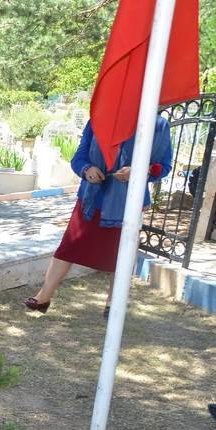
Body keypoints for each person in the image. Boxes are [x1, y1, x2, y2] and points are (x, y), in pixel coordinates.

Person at [25, 116, 172, 315]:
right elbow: (79, 158)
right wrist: (87, 169)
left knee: (121, 254)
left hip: (128, 202)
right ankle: (44, 296)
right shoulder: (100, 117)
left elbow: (163, 166)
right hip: (91, 199)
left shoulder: (157, 124)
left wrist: (138, 171)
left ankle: (113, 303)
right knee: (68, 247)